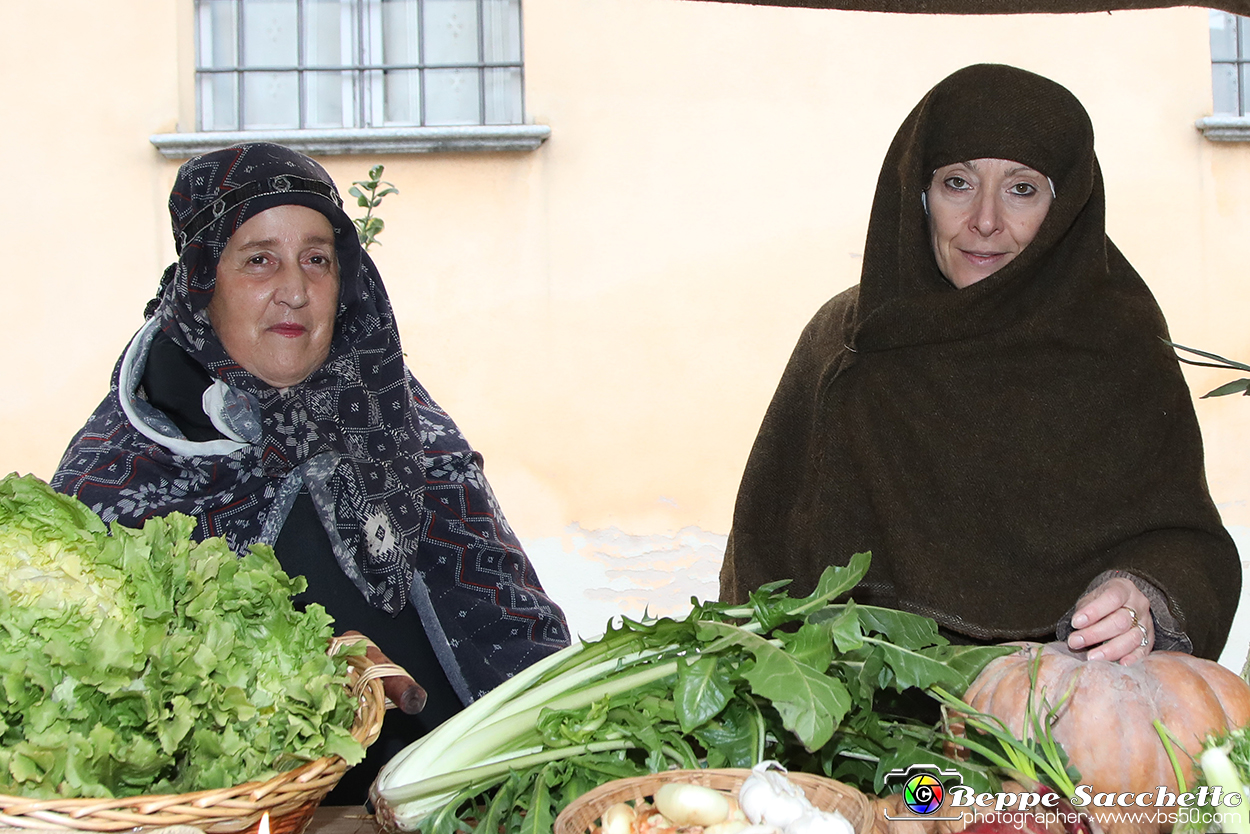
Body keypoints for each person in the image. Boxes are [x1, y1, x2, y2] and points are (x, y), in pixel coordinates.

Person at [52, 142, 570, 800]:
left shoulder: (404, 427)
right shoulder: (120, 473)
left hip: (472, 808)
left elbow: (517, 631)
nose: (294, 291)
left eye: (317, 261)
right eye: (260, 259)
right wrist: (307, 673)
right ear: (202, 281)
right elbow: (95, 706)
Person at [718, 64, 1240, 663]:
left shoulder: (1122, 347)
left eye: (1022, 189)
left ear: (1066, 205)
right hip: (861, 733)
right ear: (916, 194)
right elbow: (762, 574)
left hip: (1058, 729)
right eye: (958, 184)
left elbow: (1190, 543)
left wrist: (1143, 599)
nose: (986, 221)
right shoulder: (848, 346)